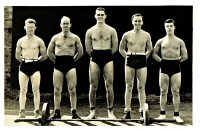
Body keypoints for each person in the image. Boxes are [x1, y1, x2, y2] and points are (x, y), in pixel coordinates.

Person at [47, 16, 83, 119]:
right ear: (60, 25)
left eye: (67, 23)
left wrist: (72, 62)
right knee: (57, 90)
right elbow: (49, 52)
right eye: (64, 23)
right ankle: (57, 112)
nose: (65, 25)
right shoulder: (55, 38)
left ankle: (74, 112)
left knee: (72, 89)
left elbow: (80, 52)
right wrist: (56, 62)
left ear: (70, 25)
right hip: (58, 63)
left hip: (70, 63)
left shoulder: (75, 38)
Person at [152, 19, 188, 123]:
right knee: (163, 91)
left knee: (176, 92)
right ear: (165, 27)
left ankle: (176, 115)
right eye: (167, 26)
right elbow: (154, 53)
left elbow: (185, 56)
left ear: (174, 27)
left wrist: (176, 62)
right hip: (164, 66)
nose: (169, 28)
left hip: (175, 66)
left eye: (171, 26)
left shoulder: (180, 41)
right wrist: (162, 62)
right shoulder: (161, 41)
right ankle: (162, 114)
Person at [85, 7, 118, 119]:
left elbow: (115, 47)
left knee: (109, 84)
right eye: (98, 14)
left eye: (102, 14)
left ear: (105, 16)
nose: (100, 16)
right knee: (93, 85)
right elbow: (88, 48)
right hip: (95, 57)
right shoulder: (90, 31)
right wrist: (96, 55)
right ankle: (92, 111)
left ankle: (110, 111)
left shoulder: (111, 30)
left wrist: (106, 55)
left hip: (107, 56)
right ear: (95, 16)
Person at [119, 13, 153, 119]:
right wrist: (127, 57)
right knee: (129, 86)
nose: (137, 23)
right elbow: (121, 49)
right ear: (132, 22)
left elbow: (150, 48)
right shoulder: (127, 34)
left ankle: (142, 111)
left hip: (142, 59)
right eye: (136, 21)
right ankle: (127, 111)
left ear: (142, 22)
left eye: (139, 21)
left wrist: (144, 57)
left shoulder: (146, 35)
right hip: (130, 59)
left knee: (141, 87)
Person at [15, 18, 47, 118]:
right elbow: (17, 56)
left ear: (35, 28)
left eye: (32, 27)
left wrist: (35, 62)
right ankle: (22, 112)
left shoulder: (39, 40)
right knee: (23, 90)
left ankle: (36, 112)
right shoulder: (21, 41)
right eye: (28, 27)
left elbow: (45, 55)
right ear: (25, 27)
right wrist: (25, 61)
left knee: (36, 90)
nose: (30, 29)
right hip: (24, 65)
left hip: (35, 66)